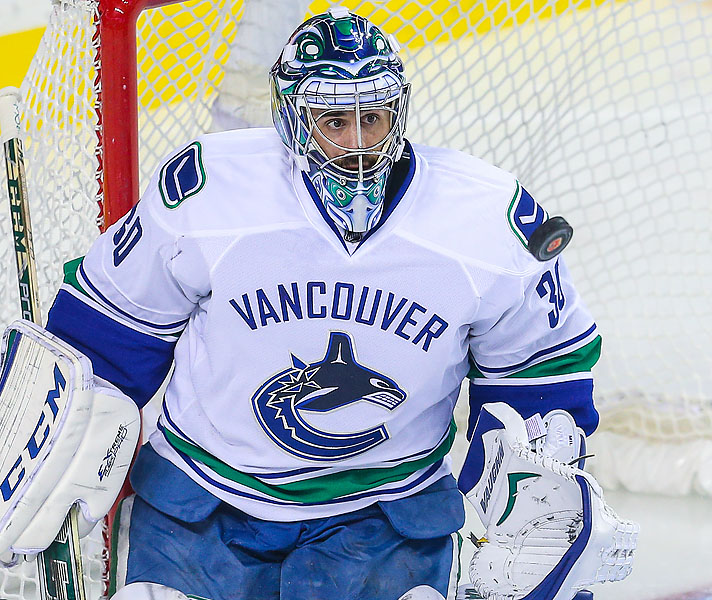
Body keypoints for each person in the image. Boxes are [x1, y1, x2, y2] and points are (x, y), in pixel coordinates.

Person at [12, 8, 635, 600]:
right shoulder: (209, 195)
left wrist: (538, 485)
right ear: (290, 117)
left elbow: (540, 373)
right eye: (335, 121)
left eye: (376, 118)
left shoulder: (486, 223)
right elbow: (106, 334)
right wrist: (53, 430)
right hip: (199, 508)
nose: (360, 143)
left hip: (389, 521)